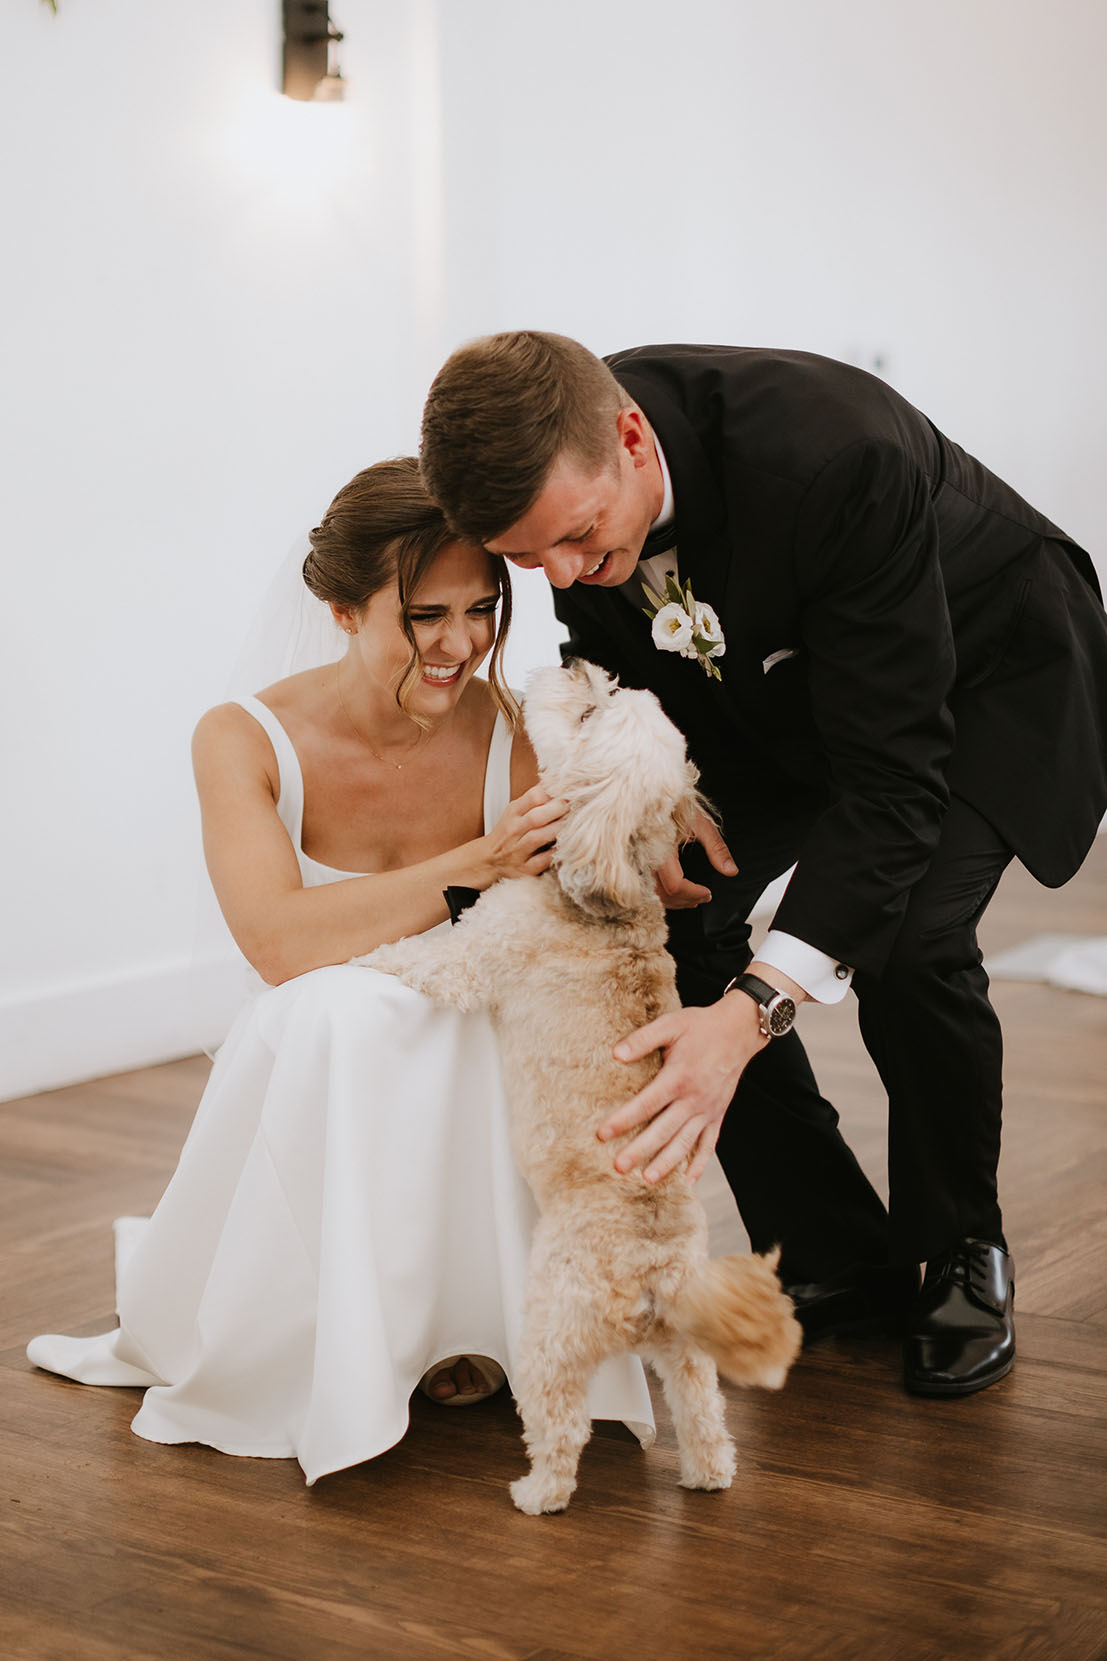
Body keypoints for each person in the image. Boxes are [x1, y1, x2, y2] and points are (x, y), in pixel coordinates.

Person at [419, 332, 1107, 1397]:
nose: (560, 574)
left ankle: (958, 1248)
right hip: (782, 694)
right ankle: (835, 1250)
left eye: (575, 538)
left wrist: (748, 1020)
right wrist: (668, 801)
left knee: (913, 935)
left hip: (983, 668)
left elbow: (893, 780)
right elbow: (618, 660)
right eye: (527, 559)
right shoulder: (569, 482)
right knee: (671, 913)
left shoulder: (836, 457)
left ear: (632, 441)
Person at [27, 456, 655, 1482]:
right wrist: (481, 862)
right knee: (329, 1013)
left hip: (478, 1027)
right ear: (339, 607)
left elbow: (571, 903)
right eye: (425, 614)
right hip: (327, 1033)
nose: (462, 643)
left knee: (485, 1006)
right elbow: (277, 941)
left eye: (484, 609)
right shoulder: (243, 737)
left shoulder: (512, 728)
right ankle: (345, 1331)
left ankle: (467, 1313)